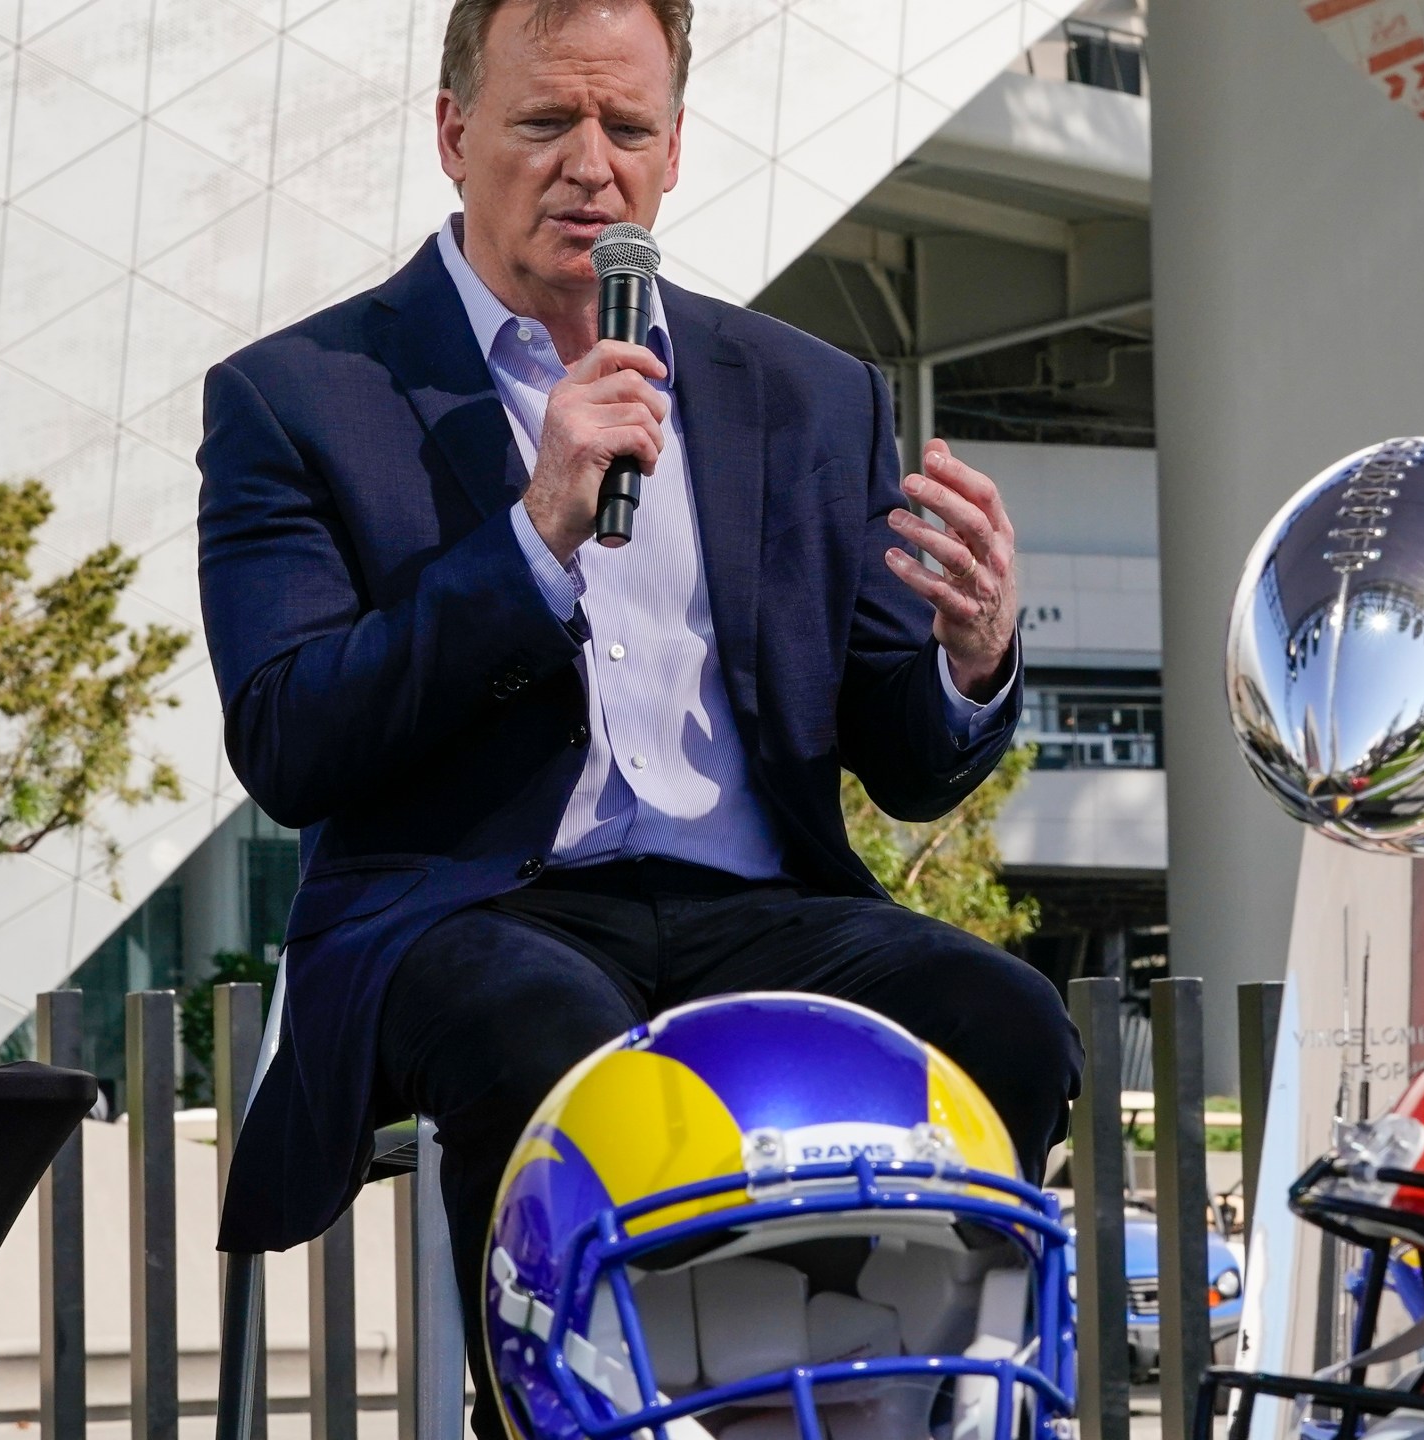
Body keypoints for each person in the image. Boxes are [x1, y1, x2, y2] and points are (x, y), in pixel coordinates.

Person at [193, 0, 1081, 1426]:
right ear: (454, 135)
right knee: (551, 1037)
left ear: (675, 153)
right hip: (470, 913)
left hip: (754, 898)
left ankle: (886, 1401)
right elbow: (291, 741)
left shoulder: (806, 393)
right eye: (544, 122)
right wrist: (535, 535)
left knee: (1005, 1017)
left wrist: (970, 659)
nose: (589, 164)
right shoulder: (301, 399)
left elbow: (904, 768)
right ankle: (548, 1413)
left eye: (628, 127)